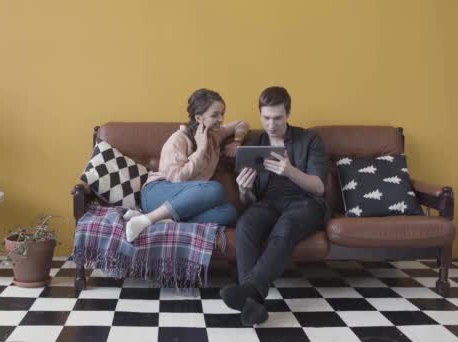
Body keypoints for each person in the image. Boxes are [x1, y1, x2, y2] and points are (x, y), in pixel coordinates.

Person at [220, 86, 329, 326]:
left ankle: (248, 289)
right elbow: (250, 201)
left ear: (288, 114)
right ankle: (254, 306)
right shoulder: (254, 144)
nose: (271, 124)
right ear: (260, 114)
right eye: (266, 118)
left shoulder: (309, 139)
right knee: (246, 224)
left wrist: (290, 171)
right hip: (267, 203)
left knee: (286, 226)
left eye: (278, 118)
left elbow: (319, 187)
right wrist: (244, 189)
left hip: (305, 202)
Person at [125, 88, 249, 242]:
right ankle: (147, 219)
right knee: (215, 188)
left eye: (222, 113)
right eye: (215, 115)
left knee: (230, 212)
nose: (221, 119)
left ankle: (160, 220)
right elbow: (177, 179)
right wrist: (201, 150)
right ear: (199, 118)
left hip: (185, 202)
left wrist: (237, 141)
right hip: (158, 192)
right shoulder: (179, 139)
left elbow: (241, 123)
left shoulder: (215, 135)